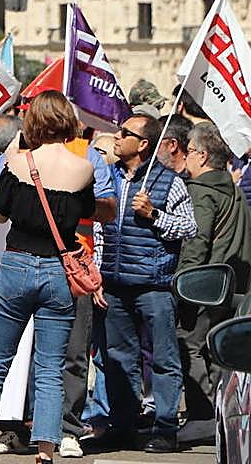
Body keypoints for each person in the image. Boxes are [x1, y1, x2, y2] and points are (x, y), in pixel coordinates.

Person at [0, 91, 100, 464]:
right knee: (50, 367)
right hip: (57, 269)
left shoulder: (17, 163)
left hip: (17, 263)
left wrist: (15, 158)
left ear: (33, 122)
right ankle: (46, 449)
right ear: (68, 122)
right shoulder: (82, 168)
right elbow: (85, 215)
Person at [97, 113, 196, 454]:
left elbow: (188, 228)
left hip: (154, 284)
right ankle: (123, 424)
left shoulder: (170, 182)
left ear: (142, 144)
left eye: (124, 132)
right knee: (118, 357)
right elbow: (98, 230)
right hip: (114, 282)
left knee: (164, 358)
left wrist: (154, 214)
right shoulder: (106, 178)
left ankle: (165, 427)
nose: (116, 136)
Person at [177, 122, 251, 422]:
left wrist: (182, 281)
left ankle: (203, 415)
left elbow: (197, 240)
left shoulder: (200, 192)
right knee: (219, 349)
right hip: (234, 286)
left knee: (189, 345)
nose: (186, 157)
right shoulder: (234, 190)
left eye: (190, 151)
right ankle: (220, 414)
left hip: (204, 285)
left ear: (203, 156)